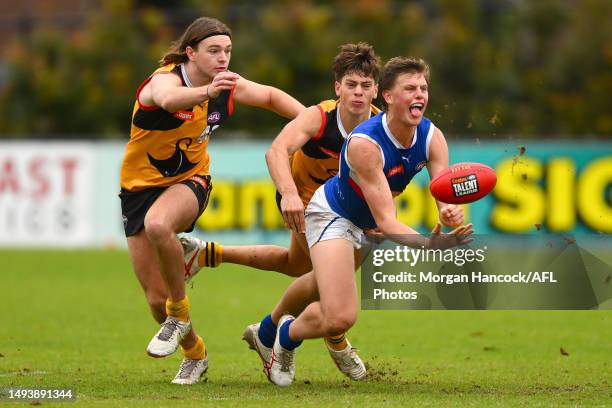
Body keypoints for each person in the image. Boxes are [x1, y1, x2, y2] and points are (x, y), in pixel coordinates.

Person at [259, 57, 473, 386]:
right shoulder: (365, 144)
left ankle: (282, 334)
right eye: (410, 89)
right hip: (333, 214)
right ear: (387, 96)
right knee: (342, 315)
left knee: (330, 307)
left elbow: (441, 187)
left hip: (367, 223)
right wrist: (429, 245)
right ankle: (282, 336)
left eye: (423, 88)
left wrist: (447, 209)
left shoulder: (432, 137)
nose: (420, 95)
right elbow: (387, 221)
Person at [118, 16, 304, 385]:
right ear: (190, 52)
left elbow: (268, 96)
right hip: (138, 190)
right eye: (214, 50)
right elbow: (169, 100)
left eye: (228, 51)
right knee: (155, 301)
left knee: (160, 224)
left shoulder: (227, 85)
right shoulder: (165, 80)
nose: (223, 58)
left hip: (191, 180)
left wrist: (312, 121)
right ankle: (194, 352)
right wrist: (207, 92)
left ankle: (179, 313)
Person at [181, 43, 383, 380]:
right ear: (337, 88)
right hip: (304, 203)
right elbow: (277, 151)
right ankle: (332, 337)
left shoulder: (382, 128)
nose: (358, 93)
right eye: (351, 85)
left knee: (298, 265)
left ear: (376, 89)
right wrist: (289, 193)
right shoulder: (320, 118)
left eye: (365, 85)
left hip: (347, 209)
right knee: (332, 275)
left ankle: (210, 259)